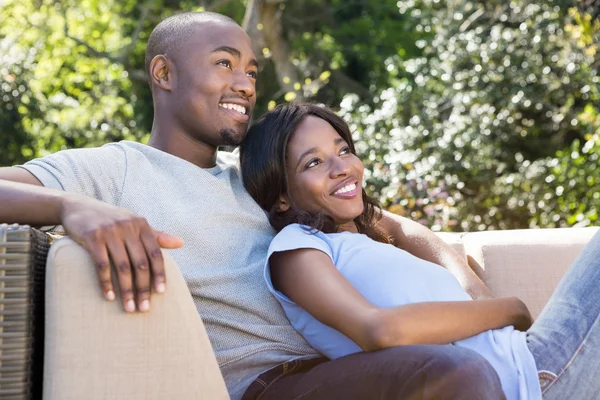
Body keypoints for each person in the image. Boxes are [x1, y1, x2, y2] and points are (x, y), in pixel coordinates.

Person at [0, 12, 506, 400]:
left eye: (251, 71)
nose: (245, 83)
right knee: (450, 373)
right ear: (164, 73)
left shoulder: (261, 183)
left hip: (341, 368)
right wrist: (71, 206)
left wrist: (472, 289)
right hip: (268, 385)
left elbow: (394, 227)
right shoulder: (117, 168)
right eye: (224, 64)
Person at [239, 101, 600, 400]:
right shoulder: (298, 245)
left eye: (344, 150)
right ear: (282, 195)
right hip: (531, 380)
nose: (342, 168)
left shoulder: (361, 239)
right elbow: (377, 330)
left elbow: (399, 227)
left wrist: (482, 297)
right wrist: (509, 309)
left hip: (527, 363)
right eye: (313, 162)